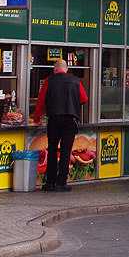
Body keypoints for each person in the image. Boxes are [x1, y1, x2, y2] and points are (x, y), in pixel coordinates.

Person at [32, 60, 88, 192]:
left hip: (54, 119)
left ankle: (50, 182)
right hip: (70, 119)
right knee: (65, 151)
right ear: (66, 69)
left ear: (55, 69)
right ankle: (61, 183)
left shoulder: (49, 80)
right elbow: (84, 99)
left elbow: (41, 100)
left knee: (52, 150)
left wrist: (36, 118)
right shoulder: (76, 81)